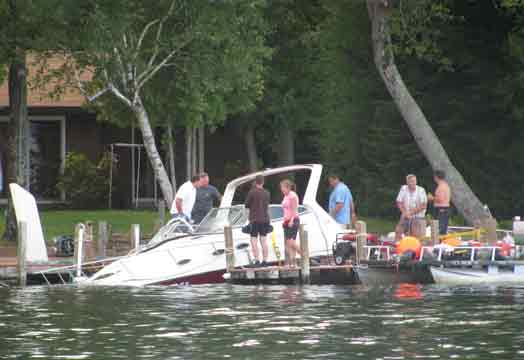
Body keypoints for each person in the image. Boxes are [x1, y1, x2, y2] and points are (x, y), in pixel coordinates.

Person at [245, 175, 271, 267]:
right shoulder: (267, 193)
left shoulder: (252, 192)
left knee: (254, 239)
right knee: (263, 240)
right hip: (265, 219)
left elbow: (247, 205)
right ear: (263, 182)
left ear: (255, 182)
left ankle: (257, 260)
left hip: (255, 219)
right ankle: (265, 261)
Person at [395, 174, 427, 241]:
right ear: (407, 182)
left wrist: (411, 213)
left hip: (418, 215)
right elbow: (399, 202)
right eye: (411, 181)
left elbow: (423, 205)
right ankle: (397, 244)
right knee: (398, 230)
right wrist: (404, 212)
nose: (413, 183)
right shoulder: (403, 188)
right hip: (405, 213)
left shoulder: (421, 190)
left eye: (414, 181)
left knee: (415, 233)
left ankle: (415, 246)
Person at [280, 179, 302, 267]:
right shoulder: (285, 196)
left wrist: (292, 220)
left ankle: (304, 255)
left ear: (288, 187)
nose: (281, 189)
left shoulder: (292, 196)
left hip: (293, 220)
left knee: (291, 242)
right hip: (286, 221)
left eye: (282, 188)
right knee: (288, 244)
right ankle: (293, 262)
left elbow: (294, 209)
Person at [428, 170, 451, 235]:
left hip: (441, 209)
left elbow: (441, 199)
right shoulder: (445, 185)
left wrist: (431, 198)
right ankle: (441, 242)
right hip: (444, 209)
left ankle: (439, 243)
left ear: (436, 177)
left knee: (439, 228)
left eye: (434, 177)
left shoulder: (441, 186)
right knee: (442, 229)